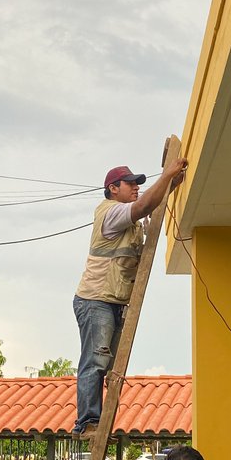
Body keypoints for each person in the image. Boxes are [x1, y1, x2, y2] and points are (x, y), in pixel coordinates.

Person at [71, 156, 187, 438]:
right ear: (113, 188)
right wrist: (167, 176)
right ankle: (87, 422)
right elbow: (145, 205)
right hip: (96, 299)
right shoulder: (111, 212)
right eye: (130, 183)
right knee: (95, 361)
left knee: (109, 367)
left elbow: (149, 202)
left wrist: (169, 185)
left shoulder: (127, 219)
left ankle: (100, 422)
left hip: (113, 300)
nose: (135, 187)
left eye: (137, 184)